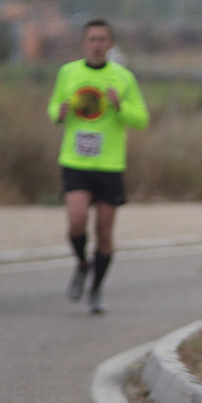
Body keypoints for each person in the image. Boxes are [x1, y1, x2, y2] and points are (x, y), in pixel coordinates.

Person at [47, 18, 149, 313]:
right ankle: (81, 263)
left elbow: (141, 119)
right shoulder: (68, 72)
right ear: (83, 43)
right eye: (92, 39)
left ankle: (96, 288)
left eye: (103, 39)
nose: (97, 44)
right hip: (75, 160)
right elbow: (53, 107)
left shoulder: (124, 77)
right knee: (76, 219)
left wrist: (120, 106)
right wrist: (59, 111)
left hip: (109, 163)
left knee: (104, 232)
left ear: (111, 44)